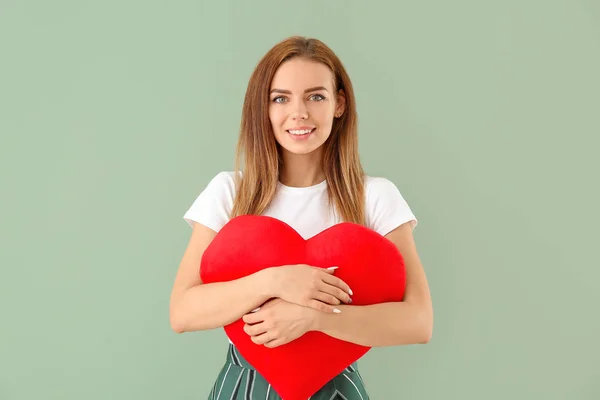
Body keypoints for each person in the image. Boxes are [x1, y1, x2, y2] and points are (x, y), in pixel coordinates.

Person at [169, 36, 433, 399]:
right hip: (243, 386)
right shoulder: (229, 192)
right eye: (281, 98)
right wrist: (275, 281)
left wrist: (314, 318)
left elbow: (418, 321)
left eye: (316, 96)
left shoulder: (374, 195)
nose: (300, 113)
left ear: (339, 104)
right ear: (263, 108)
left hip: (336, 386)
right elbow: (182, 312)